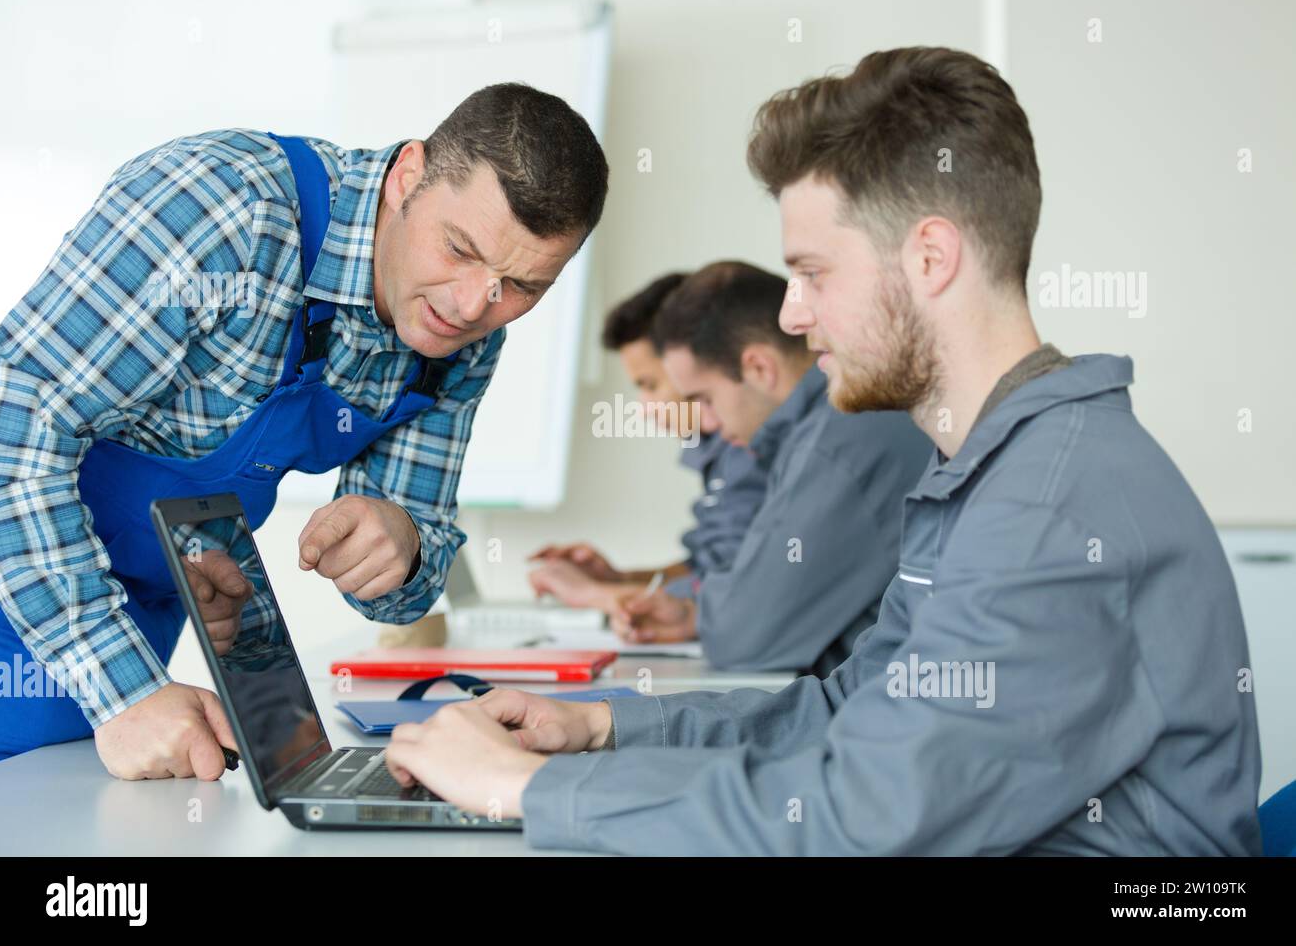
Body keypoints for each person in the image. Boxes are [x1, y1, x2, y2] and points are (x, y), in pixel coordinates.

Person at [382, 47, 1262, 856]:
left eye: (814, 272)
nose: (794, 314)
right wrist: (603, 730)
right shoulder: (994, 470)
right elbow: (848, 713)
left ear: (929, 259)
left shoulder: (1050, 509)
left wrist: (526, 788)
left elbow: (858, 817)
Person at [0, 83, 609, 777]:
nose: (473, 305)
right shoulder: (220, 210)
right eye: (459, 248)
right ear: (408, 175)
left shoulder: (460, 335)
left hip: (122, 637)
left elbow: (405, 585)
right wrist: (124, 693)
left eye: (522, 286)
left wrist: (402, 544)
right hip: (42, 602)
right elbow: (12, 421)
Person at [605, 261, 928, 674]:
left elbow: (746, 635)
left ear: (759, 368)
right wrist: (692, 612)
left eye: (704, 398)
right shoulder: (817, 431)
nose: (707, 423)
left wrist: (704, 610)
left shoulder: (836, 441)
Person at [528, 272, 769, 619]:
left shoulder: (749, 450)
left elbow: (735, 590)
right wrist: (621, 579)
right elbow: (709, 567)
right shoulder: (721, 451)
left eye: (650, 384)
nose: (644, 408)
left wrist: (597, 594)